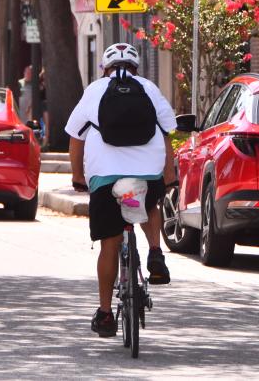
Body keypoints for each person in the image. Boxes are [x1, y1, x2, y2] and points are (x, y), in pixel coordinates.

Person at [65, 43, 177, 338]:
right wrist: (167, 174)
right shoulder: (148, 88)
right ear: (137, 68)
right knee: (149, 203)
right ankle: (155, 253)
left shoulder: (95, 89)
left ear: (105, 68)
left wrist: (78, 177)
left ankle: (104, 314)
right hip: (147, 170)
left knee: (110, 244)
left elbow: (75, 137)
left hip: (105, 175)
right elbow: (168, 129)